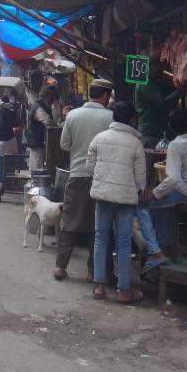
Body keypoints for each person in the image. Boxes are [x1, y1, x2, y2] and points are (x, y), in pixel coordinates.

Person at [55, 79, 114, 281]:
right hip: (102, 177)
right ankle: (93, 271)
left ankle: (60, 267)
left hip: (77, 174)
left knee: (70, 221)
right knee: (97, 226)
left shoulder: (73, 115)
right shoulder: (111, 117)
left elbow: (64, 145)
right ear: (106, 96)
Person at [137, 108, 187, 261]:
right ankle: (164, 242)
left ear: (170, 127)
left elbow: (172, 178)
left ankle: (159, 247)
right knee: (160, 201)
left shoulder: (176, 145)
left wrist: (152, 194)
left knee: (144, 205)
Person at [87, 101, 145, 303]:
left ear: (113, 117)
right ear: (131, 119)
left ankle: (99, 287)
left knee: (101, 239)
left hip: (102, 196)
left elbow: (89, 168)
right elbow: (140, 178)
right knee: (123, 242)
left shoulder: (99, 138)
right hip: (125, 199)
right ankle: (123, 291)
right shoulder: (136, 143)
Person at [135, 62, 183, 148]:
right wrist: (181, 90)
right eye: (158, 64)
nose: (162, 68)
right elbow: (163, 103)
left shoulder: (156, 83)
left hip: (157, 134)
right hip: (150, 134)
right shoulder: (145, 83)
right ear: (149, 67)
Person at [26, 85, 59, 171]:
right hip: (36, 141)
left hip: (36, 140)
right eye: (50, 99)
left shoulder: (38, 106)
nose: (51, 101)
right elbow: (47, 121)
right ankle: (36, 181)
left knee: (35, 163)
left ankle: (34, 179)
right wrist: (57, 125)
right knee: (37, 166)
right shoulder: (38, 108)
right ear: (47, 97)